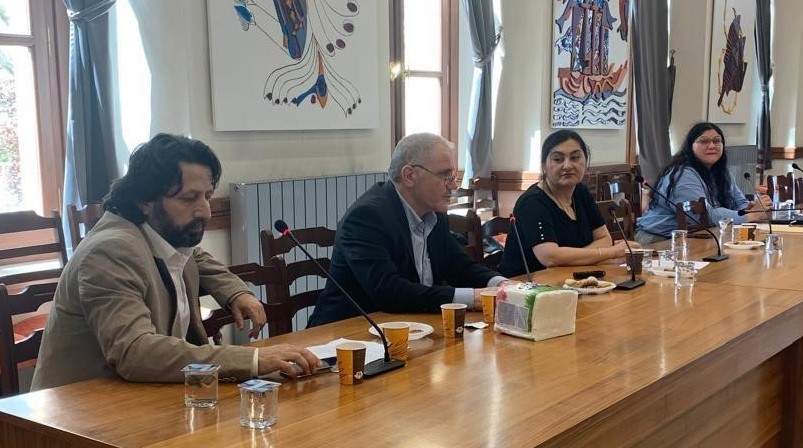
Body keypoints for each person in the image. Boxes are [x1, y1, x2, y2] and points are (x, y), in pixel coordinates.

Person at [32, 134, 321, 390]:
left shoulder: (158, 234)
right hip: (79, 416)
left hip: (143, 396)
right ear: (144, 200)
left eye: (207, 196)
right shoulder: (110, 251)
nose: (205, 211)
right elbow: (136, 352)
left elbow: (195, 256)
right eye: (189, 198)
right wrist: (254, 358)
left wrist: (236, 292)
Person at [307, 133, 509, 326]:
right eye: (445, 176)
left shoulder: (434, 213)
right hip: (345, 337)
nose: (453, 186)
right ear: (409, 176)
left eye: (453, 176)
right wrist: (471, 298)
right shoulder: (367, 217)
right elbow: (389, 292)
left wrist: (500, 284)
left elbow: (457, 264)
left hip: (409, 327)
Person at [499, 130, 633, 278]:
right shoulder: (532, 202)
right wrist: (612, 252)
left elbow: (604, 239)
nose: (567, 165)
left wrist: (576, 257)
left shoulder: (580, 192)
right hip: (525, 286)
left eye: (575, 157)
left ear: (585, 161)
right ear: (544, 166)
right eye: (558, 159)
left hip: (572, 278)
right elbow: (550, 257)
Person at [635, 122, 772, 245]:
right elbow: (702, 216)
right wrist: (751, 215)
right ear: (691, 146)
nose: (712, 146)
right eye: (704, 141)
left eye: (717, 141)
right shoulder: (683, 175)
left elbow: (740, 203)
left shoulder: (721, 172)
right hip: (660, 240)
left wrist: (752, 207)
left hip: (700, 236)